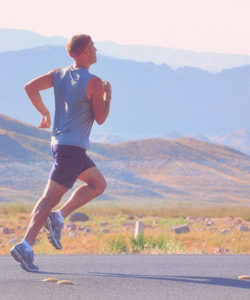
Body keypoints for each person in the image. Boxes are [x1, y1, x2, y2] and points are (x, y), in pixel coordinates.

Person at [10, 34, 112, 272]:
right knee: (49, 198)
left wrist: (44, 113)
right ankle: (25, 245)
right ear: (85, 50)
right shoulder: (94, 82)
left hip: (62, 145)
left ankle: (58, 218)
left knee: (98, 184)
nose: (96, 50)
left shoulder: (59, 74)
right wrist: (108, 95)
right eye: (94, 47)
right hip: (72, 150)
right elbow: (101, 118)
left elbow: (30, 87)